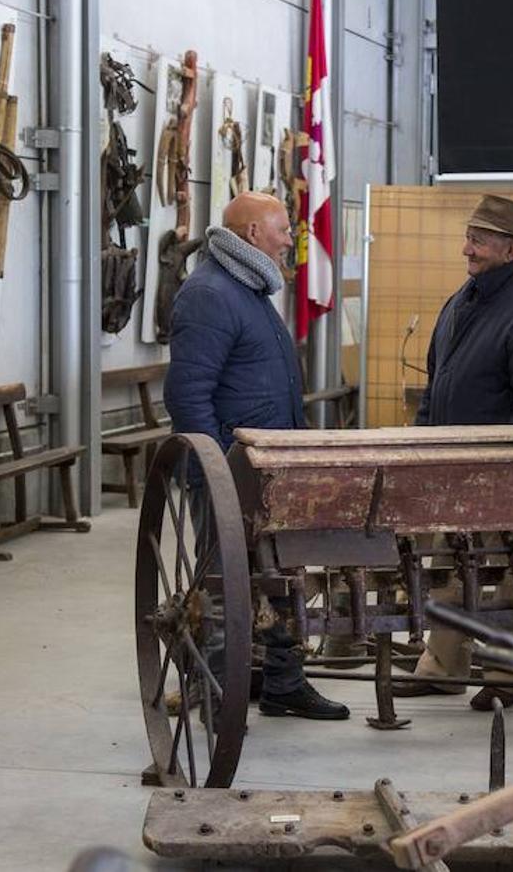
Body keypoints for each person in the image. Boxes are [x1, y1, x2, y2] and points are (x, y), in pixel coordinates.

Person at [164, 191, 349, 721]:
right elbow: (188, 393)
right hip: (232, 472)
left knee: (280, 575)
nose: (292, 237)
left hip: (271, 471)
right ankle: (217, 690)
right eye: (284, 229)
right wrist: (213, 468)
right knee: (224, 583)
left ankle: (284, 683)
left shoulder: (249, 287)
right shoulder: (209, 294)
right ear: (251, 235)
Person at [398, 194, 513, 710]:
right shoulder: (461, 302)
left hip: (502, 475)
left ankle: (507, 676)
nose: (466, 248)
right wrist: (424, 444)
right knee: (450, 567)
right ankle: (444, 666)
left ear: (511, 250)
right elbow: (436, 382)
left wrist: (507, 475)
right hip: (453, 467)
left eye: (478, 240)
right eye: (469, 236)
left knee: (507, 574)